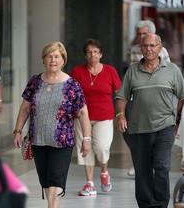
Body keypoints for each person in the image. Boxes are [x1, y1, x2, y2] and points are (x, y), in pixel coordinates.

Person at [115, 33, 184, 208]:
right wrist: (120, 115)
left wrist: (178, 119)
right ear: (141, 48)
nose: (148, 49)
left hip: (165, 126)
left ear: (160, 48)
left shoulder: (171, 70)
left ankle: (160, 204)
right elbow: (121, 97)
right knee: (143, 171)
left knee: (162, 167)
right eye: (145, 46)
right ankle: (145, 204)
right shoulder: (133, 70)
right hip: (138, 128)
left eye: (152, 46)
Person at [12, 42, 91, 208]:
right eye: (49, 56)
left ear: (63, 60)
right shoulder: (35, 82)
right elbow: (25, 108)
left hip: (62, 142)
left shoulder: (72, 85)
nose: (53, 60)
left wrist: (86, 138)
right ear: (43, 60)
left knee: (56, 181)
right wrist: (18, 131)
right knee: (46, 183)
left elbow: (83, 113)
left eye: (56, 56)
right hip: (38, 141)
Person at [70, 38, 121, 196]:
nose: (92, 55)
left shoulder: (110, 71)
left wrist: (121, 113)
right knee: (85, 150)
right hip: (82, 117)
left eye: (96, 52)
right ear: (85, 55)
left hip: (104, 116)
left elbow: (120, 93)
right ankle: (89, 183)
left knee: (101, 147)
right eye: (89, 52)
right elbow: (70, 96)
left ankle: (104, 173)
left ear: (101, 54)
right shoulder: (77, 72)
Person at [126, 20, 171, 176]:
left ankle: (152, 162)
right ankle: (138, 162)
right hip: (136, 97)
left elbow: (167, 74)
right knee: (132, 132)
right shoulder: (133, 50)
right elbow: (131, 73)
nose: (141, 37)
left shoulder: (161, 51)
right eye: (139, 34)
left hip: (156, 98)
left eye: (144, 33)